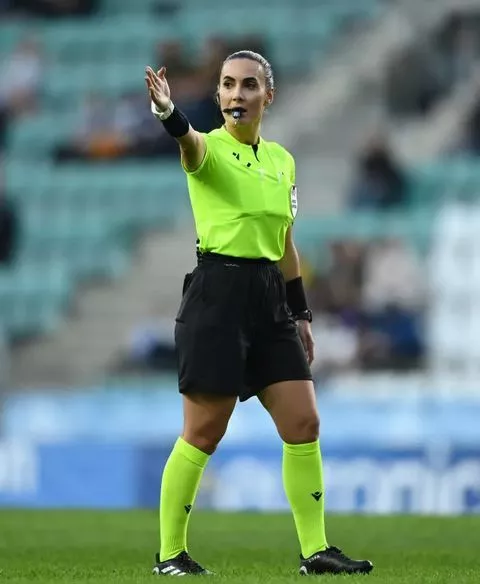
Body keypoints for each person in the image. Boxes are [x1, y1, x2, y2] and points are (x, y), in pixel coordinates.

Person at [144, 51, 373, 577]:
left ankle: (316, 552)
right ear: (220, 96)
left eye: (249, 85)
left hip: (269, 296)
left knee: (304, 420)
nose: (236, 94)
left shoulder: (282, 161)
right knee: (203, 431)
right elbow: (188, 141)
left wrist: (301, 312)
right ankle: (170, 555)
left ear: (268, 96)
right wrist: (167, 114)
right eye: (227, 85)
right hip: (217, 296)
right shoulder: (208, 150)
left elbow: (285, 243)